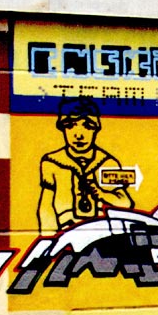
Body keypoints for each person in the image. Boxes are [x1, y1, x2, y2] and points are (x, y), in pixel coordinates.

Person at [38, 96, 132, 233]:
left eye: (87, 126)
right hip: (66, 233)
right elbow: (46, 207)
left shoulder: (106, 163)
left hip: (101, 234)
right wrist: (50, 239)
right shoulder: (52, 163)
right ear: (63, 129)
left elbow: (125, 203)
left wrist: (101, 194)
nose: (79, 135)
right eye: (70, 126)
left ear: (95, 129)